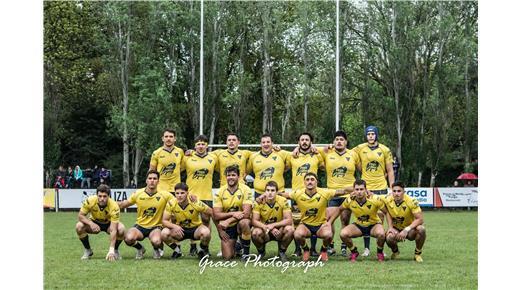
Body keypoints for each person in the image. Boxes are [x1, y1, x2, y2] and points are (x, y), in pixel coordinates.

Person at [278, 172, 352, 262]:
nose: (310, 182)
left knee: (328, 234)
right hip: (306, 225)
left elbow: (343, 191)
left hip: (321, 225)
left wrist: (360, 190)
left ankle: (323, 250)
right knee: (297, 234)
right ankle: (306, 250)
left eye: (312, 180)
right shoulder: (298, 193)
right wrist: (266, 194)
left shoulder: (324, 192)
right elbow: (283, 195)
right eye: (307, 180)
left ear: (316, 182)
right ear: (304, 182)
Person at [354, 125, 394, 257]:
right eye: (368, 134)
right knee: (366, 217)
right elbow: (347, 154)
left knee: (380, 217)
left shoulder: (385, 149)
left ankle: (379, 247)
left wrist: (392, 188)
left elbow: (390, 170)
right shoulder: (360, 148)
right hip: (367, 188)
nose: (371, 136)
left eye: (373, 134)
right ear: (366, 135)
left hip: (381, 187)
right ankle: (366, 248)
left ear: (376, 135)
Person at [319, 130, 359, 257]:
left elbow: (361, 170)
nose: (339, 141)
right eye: (337, 139)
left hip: (348, 194)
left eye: (342, 139)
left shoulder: (353, 154)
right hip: (333, 193)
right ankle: (330, 245)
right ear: (333, 142)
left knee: (345, 219)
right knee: (330, 219)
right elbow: (316, 160)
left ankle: (344, 245)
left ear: (346, 142)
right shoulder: (326, 153)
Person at [118, 170, 173, 259]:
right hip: (140, 226)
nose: (152, 181)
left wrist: (190, 199)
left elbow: (178, 203)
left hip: (156, 227)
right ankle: (140, 249)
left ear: (158, 181)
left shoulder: (165, 194)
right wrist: (108, 203)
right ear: (146, 180)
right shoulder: (138, 193)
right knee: (128, 238)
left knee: (156, 241)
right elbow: (123, 204)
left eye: (155, 179)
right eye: (150, 178)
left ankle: (156, 249)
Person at [287, 132, 324, 257]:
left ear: (311, 141)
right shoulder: (292, 155)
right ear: (298, 142)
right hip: (297, 195)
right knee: (297, 222)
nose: (304, 142)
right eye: (302, 140)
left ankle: (313, 249)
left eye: (307, 140)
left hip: (314, 194)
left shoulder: (317, 155)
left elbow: (326, 162)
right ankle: (298, 249)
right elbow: (284, 167)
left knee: (314, 220)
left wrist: (317, 150)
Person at [181, 134, 218, 255]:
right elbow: (177, 169)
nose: (201, 146)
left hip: (206, 195)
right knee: (191, 220)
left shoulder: (213, 157)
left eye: (203, 144)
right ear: (195, 146)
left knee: (206, 221)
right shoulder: (187, 157)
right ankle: (193, 246)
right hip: (191, 195)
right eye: (198, 144)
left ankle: (205, 247)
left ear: (207, 145)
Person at [334, 179, 387, 262]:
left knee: (381, 234)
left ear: (366, 190)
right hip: (359, 226)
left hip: (374, 225)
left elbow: (386, 212)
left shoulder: (374, 199)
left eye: (361, 189)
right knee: (343, 234)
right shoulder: (350, 199)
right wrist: (329, 222)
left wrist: (391, 227)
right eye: (357, 189)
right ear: (353, 190)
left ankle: (379, 252)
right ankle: (354, 251)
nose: (359, 192)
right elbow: (339, 209)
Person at [161, 182, 213, 260]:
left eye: (182, 193)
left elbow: (211, 212)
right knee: (164, 233)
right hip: (180, 230)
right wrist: (175, 226)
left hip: (195, 229)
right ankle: (177, 251)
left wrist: (201, 208)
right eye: (177, 193)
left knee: (206, 232)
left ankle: (202, 250)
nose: (179, 195)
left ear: (187, 193)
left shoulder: (194, 202)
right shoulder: (171, 203)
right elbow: (164, 221)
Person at [75, 184, 125, 261]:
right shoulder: (90, 200)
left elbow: (113, 229)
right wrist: (91, 223)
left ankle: (115, 250)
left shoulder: (114, 206)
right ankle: (88, 250)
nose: (102, 199)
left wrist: (111, 250)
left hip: (109, 224)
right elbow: (80, 216)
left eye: (104, 196)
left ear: (109, 196)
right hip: (94, 221)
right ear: (97, 195)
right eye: (100, 196)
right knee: (79, 226)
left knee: (121, 229)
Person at [213, 165, 253, 260]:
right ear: (226, 177)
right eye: (228, 175)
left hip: (239, 222)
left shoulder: (245, 189)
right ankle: (237, 246)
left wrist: (228, 220)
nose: (231, 177)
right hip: (228, 226)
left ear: (238, 177)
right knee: (227, 256)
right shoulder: (220, 191)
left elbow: (246, 213)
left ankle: (246, 254)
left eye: (233, 175)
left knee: (244, 222)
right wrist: (232, 214)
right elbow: (216, 215)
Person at [251, 181, 294, 262]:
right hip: (265, 230)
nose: (270, 193)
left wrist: (273, 225)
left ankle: (282, 251)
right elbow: (254, 221)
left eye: (272, 190)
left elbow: (289, 220)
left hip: (279, 230)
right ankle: (261, 251)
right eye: (268, 190)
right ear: (265, 192)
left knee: (290, 230)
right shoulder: (259, 202)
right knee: (255, 233)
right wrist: (268, 227)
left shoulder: (283, 201)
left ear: (277, 192)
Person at [384, 182, 426, 262]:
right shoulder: (387, 199)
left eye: (399, 191)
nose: (396, 193)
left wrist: (406, 230)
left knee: (421, 229)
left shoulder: (412, 201)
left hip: (409, 230)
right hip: (396, 229)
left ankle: (417, 254)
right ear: (391, 191)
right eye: (394, 191)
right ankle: (395, 252)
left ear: (404, 191)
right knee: (389, 237)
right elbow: (385, 210)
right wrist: (390, 227)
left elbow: (420, 219)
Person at [246, 133, 290, 198]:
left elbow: (294, 157)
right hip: (259, 193)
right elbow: (247, 171)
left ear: (272, 143)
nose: (266, 144)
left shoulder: (281, 154)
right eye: (263, 142)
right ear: (260, 144)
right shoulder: (253, 157)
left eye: (268, 142)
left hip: (279, 192)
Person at [150, 129, 184, 193]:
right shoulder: (156, 153)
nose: (168, 139)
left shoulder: (180, 151)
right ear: (163, 138)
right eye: (166, 136)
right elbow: (152, 171)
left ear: (175, 138)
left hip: (176, 189)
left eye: (171, 137)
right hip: (160, 189)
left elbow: (181, 167)